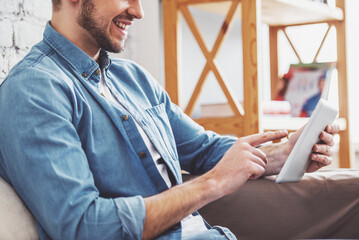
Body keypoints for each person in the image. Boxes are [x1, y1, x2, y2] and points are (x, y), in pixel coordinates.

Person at [0, 0, 339, 239]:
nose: (139, 10)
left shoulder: (133, 79)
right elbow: (83, 226)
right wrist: (211, 184)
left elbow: (204, 149)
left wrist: (284, 154)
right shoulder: (34, 90)